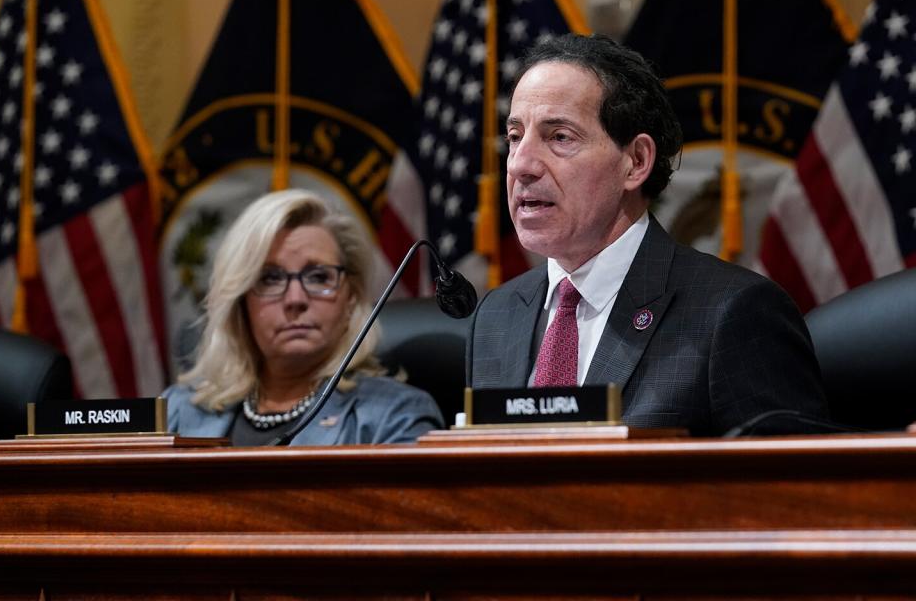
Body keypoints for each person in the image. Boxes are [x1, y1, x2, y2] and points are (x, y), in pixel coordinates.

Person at [466, 33, 829, 436]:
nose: (521, 165)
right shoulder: (496, 316)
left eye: (559, 137)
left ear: (636, 162)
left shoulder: (733, 313)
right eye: (515, 137)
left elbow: (793, 492)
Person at [163, 190, 444, 445]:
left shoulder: (394, 416)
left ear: (351, 298)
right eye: (270, 278)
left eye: (319, 276)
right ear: (240, 303)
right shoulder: (177, 411)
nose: (295, 299)